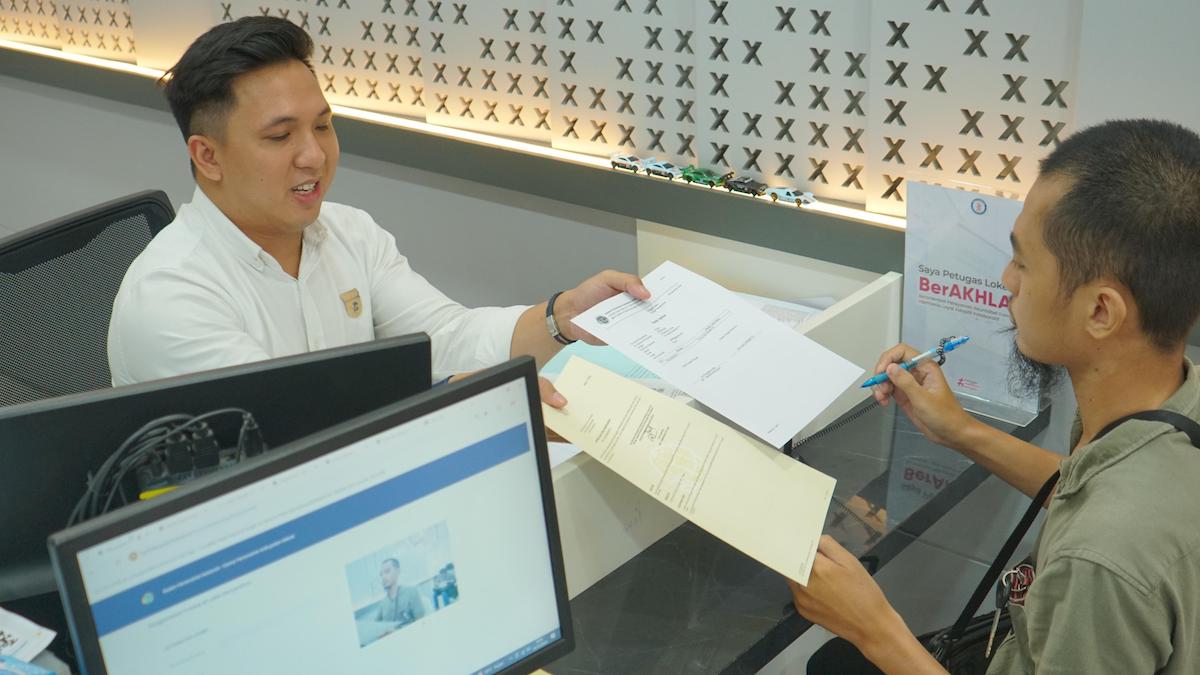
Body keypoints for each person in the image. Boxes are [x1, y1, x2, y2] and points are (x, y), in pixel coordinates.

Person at [790, 119, 1200, 673]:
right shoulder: (1170, 405)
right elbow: (1090, 489)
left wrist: (876, 629)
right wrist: (959, 430)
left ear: (1101, 311)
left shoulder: (1102, 561)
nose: (1007, 279)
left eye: (1024, 263)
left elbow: (1105, 527)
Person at [106, 16, 649, 404]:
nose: (315, 156)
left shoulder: (349, 232)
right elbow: (293, 425)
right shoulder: (171, 294)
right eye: (280, 136)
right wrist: (461, 399)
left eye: (323, 126)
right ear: (208, 156)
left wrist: (562, 317)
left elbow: (446, 338)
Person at [375, 558, 426, 626]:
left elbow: (421, 622)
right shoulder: (383, 603)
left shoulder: (411, 592)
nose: (383, 577)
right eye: (381, 574)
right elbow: (376, 626)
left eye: (387, 571)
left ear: (398, 571)